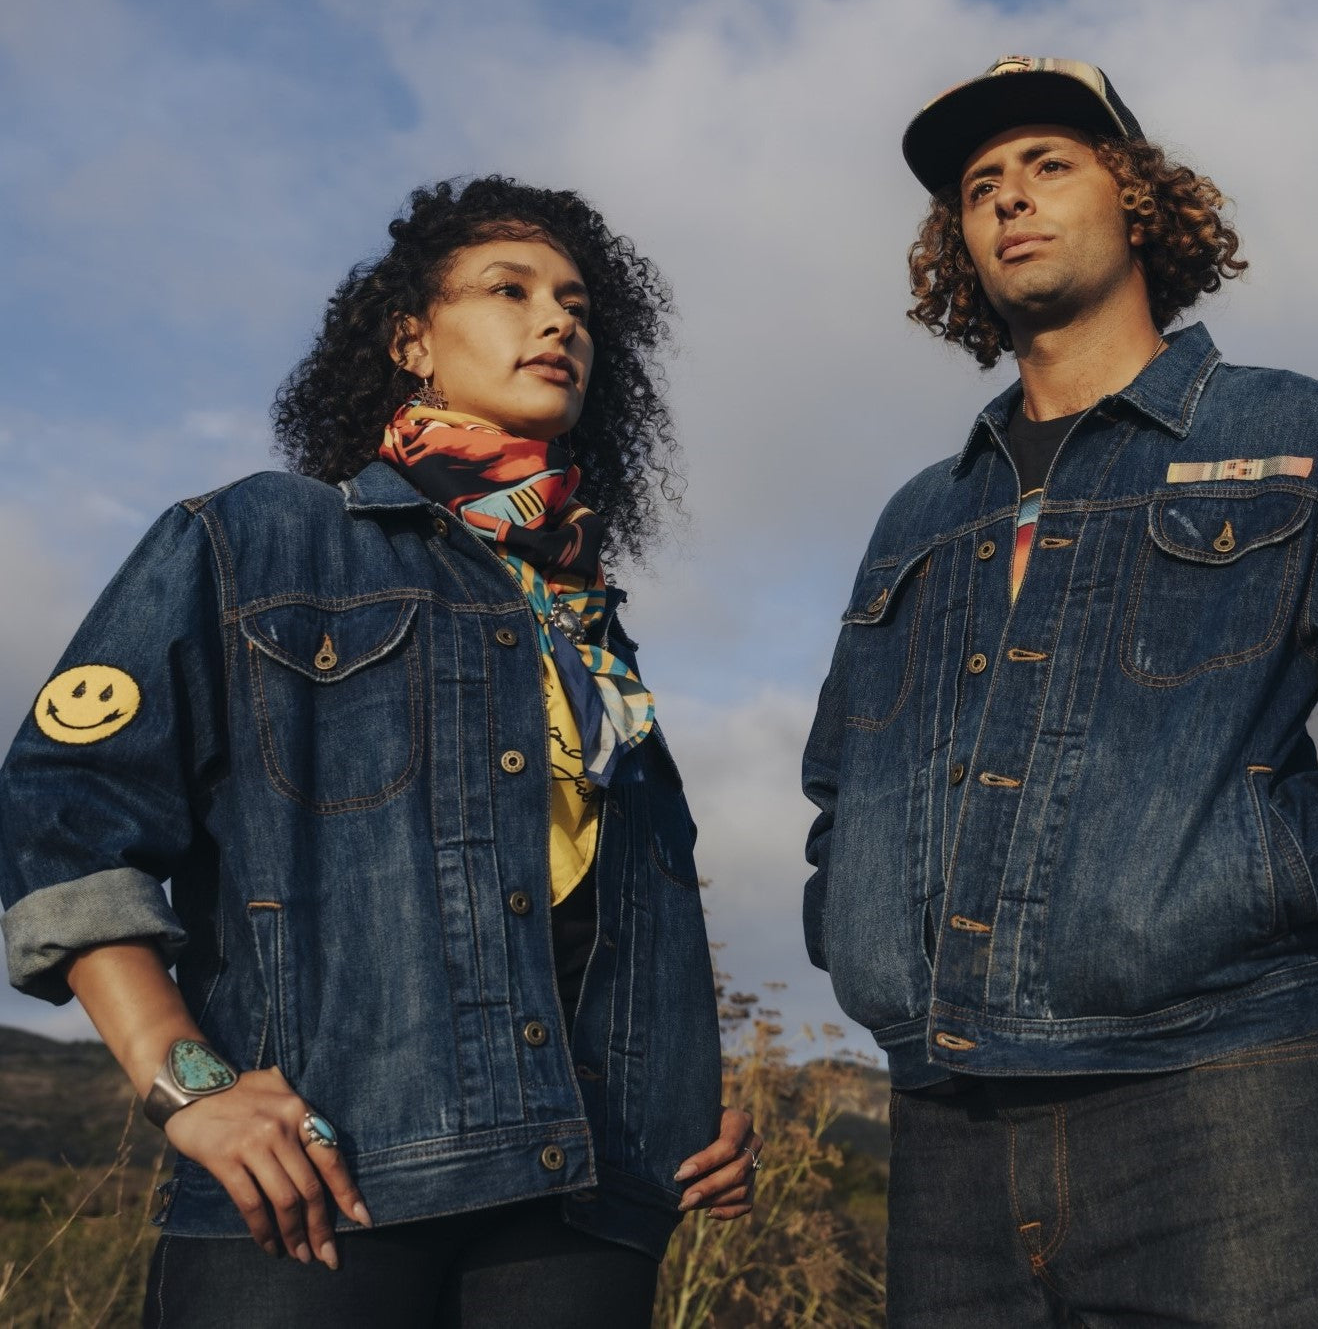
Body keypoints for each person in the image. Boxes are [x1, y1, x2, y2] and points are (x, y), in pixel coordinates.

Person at [0, 175, 762, 1328]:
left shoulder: (580, 624)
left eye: (577, 304)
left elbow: (604, 911)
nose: (558, 321)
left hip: (588, 1193)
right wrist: (186, 1082)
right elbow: (63, 804)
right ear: (410, 336)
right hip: (321, 1180)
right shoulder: (259, 536)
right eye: (509, 290)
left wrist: (682, 1096)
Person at [802, 56, 1318, 1326]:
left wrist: (1266, 865)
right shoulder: (917, 514)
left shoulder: (1295, 436)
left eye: (1048, 163)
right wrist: (862, 926)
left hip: (1224, 1093)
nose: (1007, 198)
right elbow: (841, 783)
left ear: (1137, 199)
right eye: (979, 185)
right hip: (944, 1120)